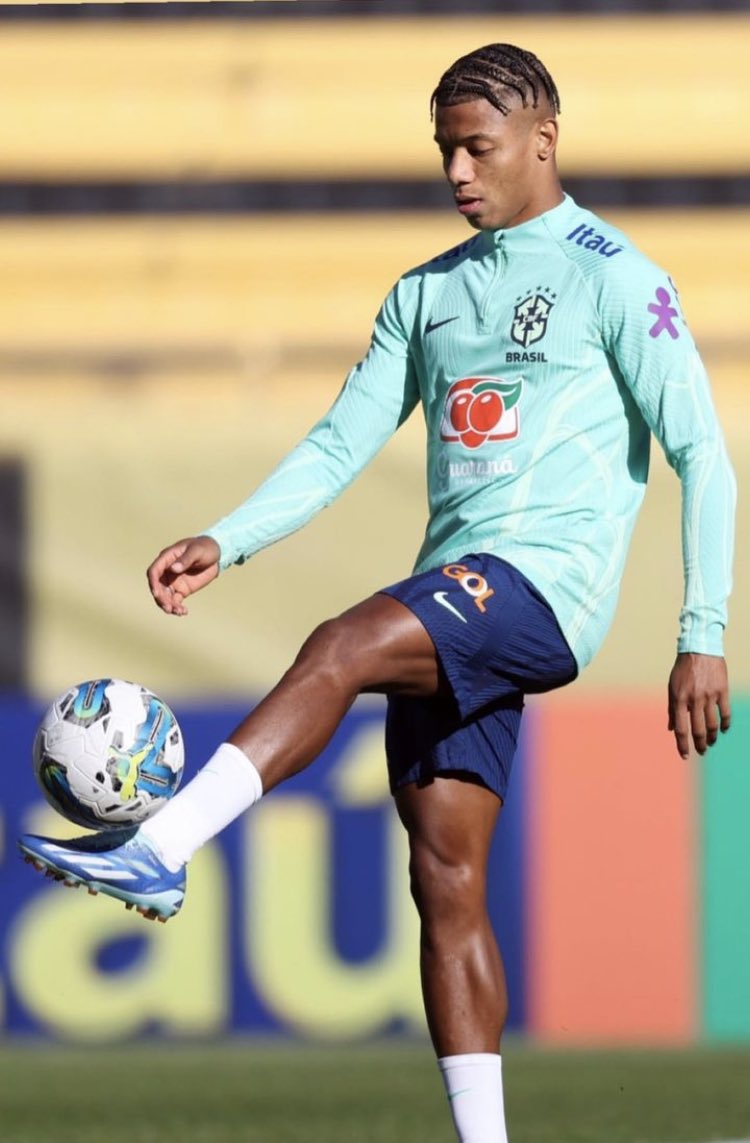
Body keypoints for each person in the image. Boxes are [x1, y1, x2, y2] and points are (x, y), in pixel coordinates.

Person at [19, 43, 735, 1143]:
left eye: (477, 147)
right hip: (462, 596)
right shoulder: (426, 294)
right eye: (444, 149)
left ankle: (162, 849)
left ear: (543, 140)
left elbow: (703, 455)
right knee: (445, 882)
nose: (456, 171)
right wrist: (228, 538)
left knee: (341, 645)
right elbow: (336, 446)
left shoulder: (616, 276)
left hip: (542, 588)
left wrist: (702, 630)